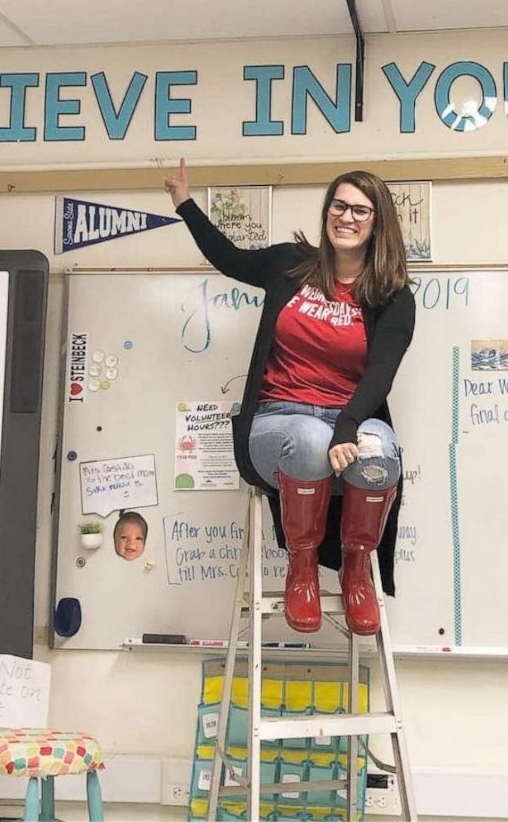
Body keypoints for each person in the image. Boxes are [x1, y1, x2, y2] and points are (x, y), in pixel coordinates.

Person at [164, 160, 415, 635]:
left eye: (361, 210)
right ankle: (302, 568)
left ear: (378, 222)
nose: (348, 217)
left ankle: (357, 569)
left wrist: (346, 428)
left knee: (382, 454)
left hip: (351, 418)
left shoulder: (392, 294)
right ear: (327, 212)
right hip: (278, 418)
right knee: (305, 439)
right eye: (339, 205)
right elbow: (230, 258)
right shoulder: (289, 265)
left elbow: (381, 374)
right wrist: (184, 203)